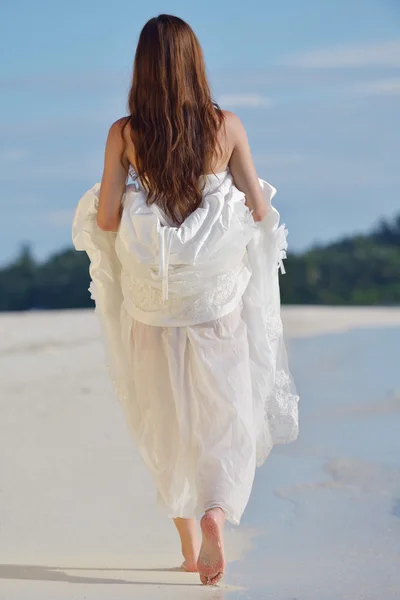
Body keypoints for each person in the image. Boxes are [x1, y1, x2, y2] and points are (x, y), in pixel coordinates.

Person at [72, 14, 299, 586]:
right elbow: (258, 208)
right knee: (221, 414)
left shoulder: (125, 133)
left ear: (142, 68)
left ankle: (189, 546)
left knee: (164, 418)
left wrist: (130, 196)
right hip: (213, 300)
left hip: (155, 303)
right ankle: (216, 513)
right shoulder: (227, 126)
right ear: (194, 62)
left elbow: (105, 218)